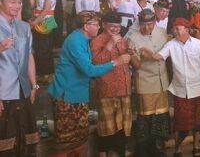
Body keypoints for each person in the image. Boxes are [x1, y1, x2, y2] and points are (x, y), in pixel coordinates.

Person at [47, 11, 131, 157]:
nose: (98, 27)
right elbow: (89, 69)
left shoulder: (82, 39)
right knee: (66, 141)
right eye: (96, 24)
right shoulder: (75, 41)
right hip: (66, 94)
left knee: (79, 139)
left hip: (78, 94)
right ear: (86, 26)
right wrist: (115, 62)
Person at [141, 17, 200, 157]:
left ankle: (196, 147)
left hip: (197, 89)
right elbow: (157, 57)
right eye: (174, 28)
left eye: (178, 28)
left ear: (187, 29)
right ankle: (177, 150)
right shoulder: (171, 44)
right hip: (179, 91)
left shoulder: (198, 44)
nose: (175, 31)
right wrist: (144, 50)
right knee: (180, 122)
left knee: (197, 121)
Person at [0, 0, 39, 157]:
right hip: (3, 91)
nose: (16, 6)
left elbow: (29, 56)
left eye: (19, 2)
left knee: (25, 139)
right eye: (12, 2)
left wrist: (34, 84)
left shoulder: (24, 27)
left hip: (23, 89)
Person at [126, 9, 170, 157]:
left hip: (162, 81)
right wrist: (133, 55)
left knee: (158, 117)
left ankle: (154, 147)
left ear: (154, 22)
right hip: (145, 83)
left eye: (150, 24)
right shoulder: (133, 38)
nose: (146, 28)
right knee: (145, 118)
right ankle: (142, 150)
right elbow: (137, 65)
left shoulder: (162, 32)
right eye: (143, 24)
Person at [90, 12, 133, 157]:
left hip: (124, 88)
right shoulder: (96, 41)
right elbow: (96, 63)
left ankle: (119, 153)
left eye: (118, 26)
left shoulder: (122, 39)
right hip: (107, 89)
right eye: (112, 26)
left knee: (123, 127)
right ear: (103, 25)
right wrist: (110, 44)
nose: (115, 29)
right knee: (107, 127)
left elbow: (127, 59)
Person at [27, 0, 57, 83]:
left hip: (46, 21)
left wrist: (35, 22)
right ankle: (40, 73)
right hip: (38, 20)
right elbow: (33, 5)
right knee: (39, 48)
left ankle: (48, 73)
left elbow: (46, 10)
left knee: (45, 48)